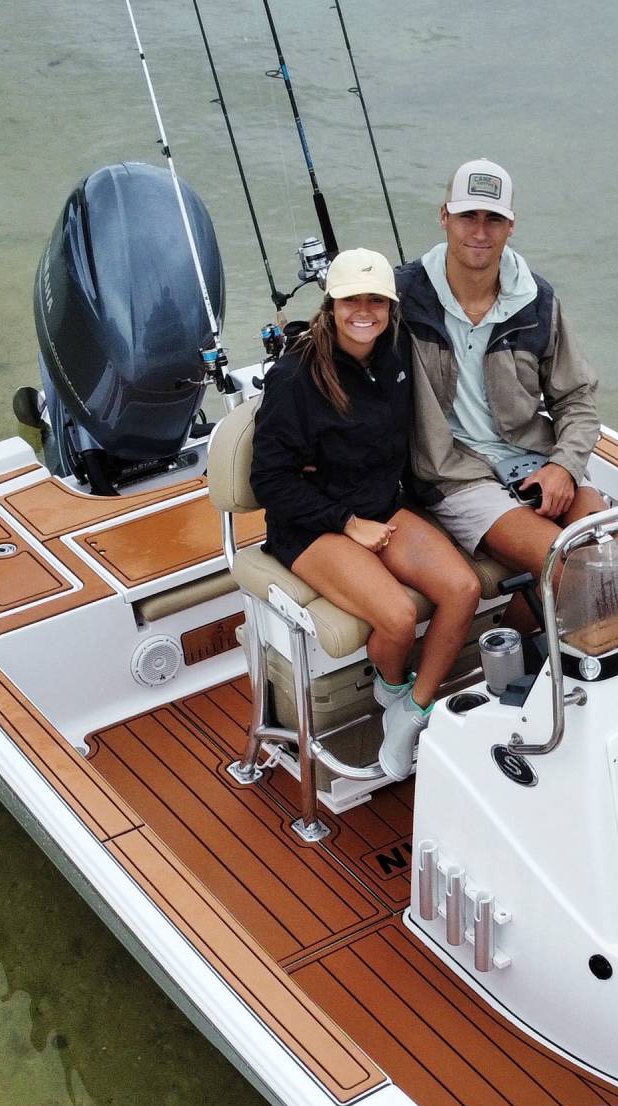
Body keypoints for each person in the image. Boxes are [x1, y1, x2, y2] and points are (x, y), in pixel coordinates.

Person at [250, 248, 481, 780]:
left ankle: (411, 712)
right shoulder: (293, 378)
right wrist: (347, 523)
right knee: (398, 618)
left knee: (463, 589)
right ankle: (392, 685)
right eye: (352, 298)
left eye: (377, 300)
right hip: (312, 527)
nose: (365, 311)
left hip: (383, 507)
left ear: (391, 307)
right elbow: (270, 482)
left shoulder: (394, 351)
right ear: (331, 304)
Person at [396, 159, 605, 611]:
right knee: (565, 564)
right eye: (468, 215)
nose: (479, 231)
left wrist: (565, 467)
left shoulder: (539, 300)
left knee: (606, 554)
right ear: (444, 216)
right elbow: (335, 356)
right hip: (454, 475)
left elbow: (577, 398)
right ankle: (528, 660)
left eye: (494, 219)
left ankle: (518, 649)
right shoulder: (399, 298)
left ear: (511, 226)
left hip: (535, 461)